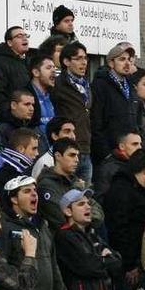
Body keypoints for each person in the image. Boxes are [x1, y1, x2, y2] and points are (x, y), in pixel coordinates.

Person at [106, 150, 145, 290]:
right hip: (128, 267)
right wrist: (130, 264)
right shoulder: (122, 191)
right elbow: (119, 230)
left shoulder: (142, 191)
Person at [0, 176, 65, 290]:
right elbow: (2, 270)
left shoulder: (43, 226)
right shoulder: (3, 227)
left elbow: (54, 268)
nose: (34, 194)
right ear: (14, 199)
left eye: (35, 190)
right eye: (27, 191)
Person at [55, 189, 120, 290]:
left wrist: (101, 261)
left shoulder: (93, 235)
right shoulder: (64, 236)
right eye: (81, 204)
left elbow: (117, 262)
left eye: (88, 203)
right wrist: (105, 259)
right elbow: (88, 267)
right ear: (68, 211)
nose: (88, 207)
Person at [37, 138, 105, 231]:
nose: (77, 160)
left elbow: (98, 212)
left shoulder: (75, 181)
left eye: (77, 156)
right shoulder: (46, 185)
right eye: (72, 155)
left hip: (82, 237)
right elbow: (61, 218)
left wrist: (83, 219)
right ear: (58, 156)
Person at [52, 42, 93, 184]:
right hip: (67, 149)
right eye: (78, 58)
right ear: (66, 61)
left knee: (85, 196)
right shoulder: (58, 84)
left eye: (85, 58)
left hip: (86, 149)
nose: (84, 63)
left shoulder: (86, 85)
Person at [91, 43, 139, 162]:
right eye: (122, 59)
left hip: (130, 152)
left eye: (129, 59)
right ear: (111, 63)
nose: (127, 63)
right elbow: (96, 121)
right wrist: (106, 153)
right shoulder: (100, 85)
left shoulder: (131, 86)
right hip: (110, 153)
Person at [0, 26, 31, 115]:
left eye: (25, 35)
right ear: (10, 43)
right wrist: (11, 113)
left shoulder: (29, 63)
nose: (24, 38)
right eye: (19, 36)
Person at [93, 131, 142, 201]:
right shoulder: (108, 168)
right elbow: (100, 198)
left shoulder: (138, 164)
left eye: (140, 144)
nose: (139, 148)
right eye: (135, 144)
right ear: (121, 146)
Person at [0, 128, 39, 197]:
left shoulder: (11, 169)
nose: (37, 153)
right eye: (34, 149)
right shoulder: (3, 172)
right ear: (21, 149)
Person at [26, 54, 57, 144]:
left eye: (54, 67)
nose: (53, 70)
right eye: (48, 68)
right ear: (36, 72)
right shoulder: (25, 94)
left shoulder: (53, 95)